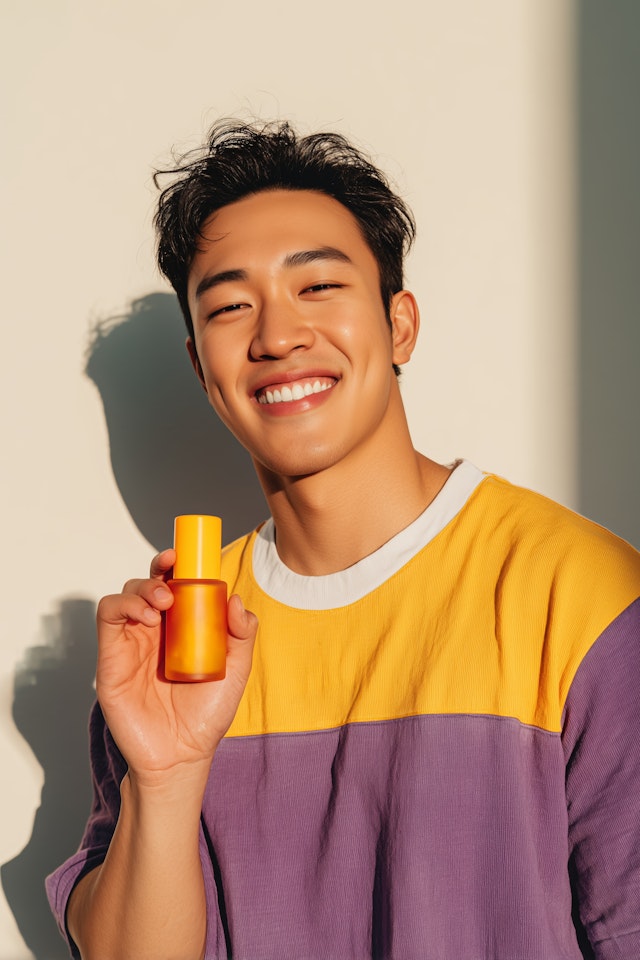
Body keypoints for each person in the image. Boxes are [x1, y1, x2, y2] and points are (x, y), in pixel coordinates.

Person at [47, 120, 640, 960]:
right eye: (230, 306)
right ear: (201, 368)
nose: (277, 336)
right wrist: (167, 776)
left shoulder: (585, 595)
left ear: (400, 325)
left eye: (319, 286)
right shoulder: (182, 638)